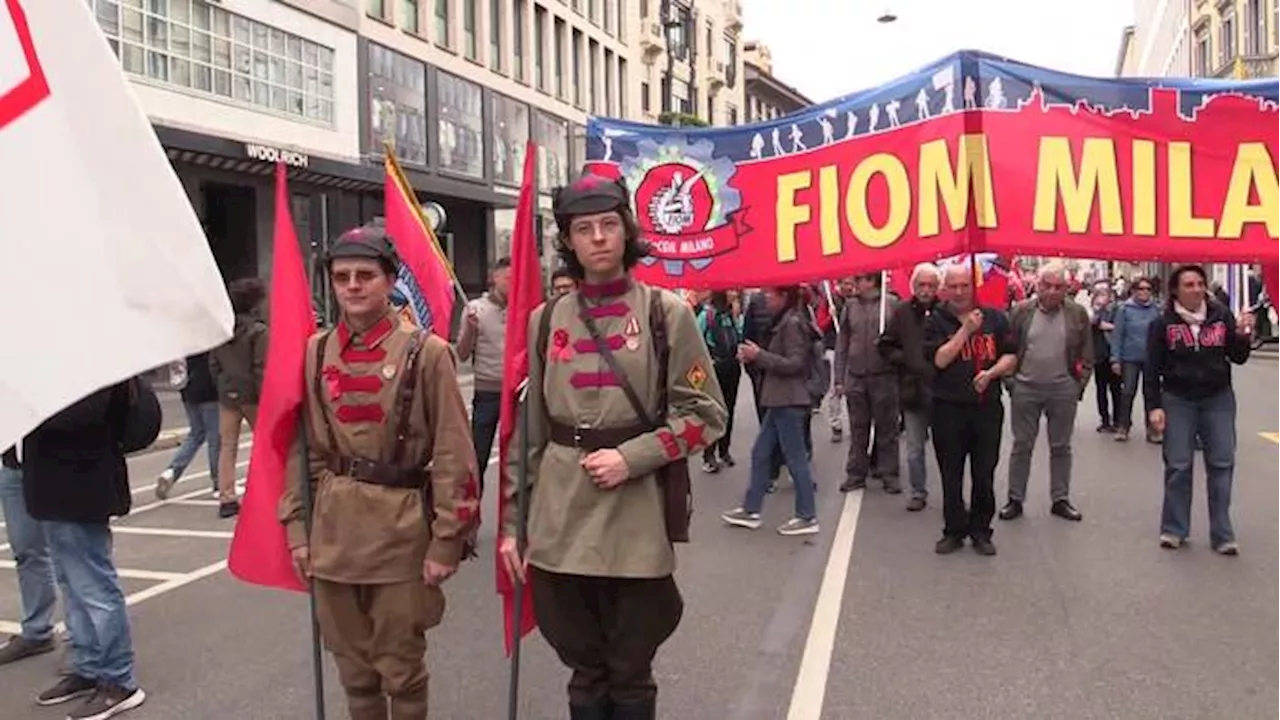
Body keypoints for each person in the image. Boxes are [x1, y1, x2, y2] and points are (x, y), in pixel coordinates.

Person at [499, 173, 726, 720]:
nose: (598, 237)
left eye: (607, 225)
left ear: (625, 232)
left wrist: (633, 457)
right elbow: (526, 432)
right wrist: (512, 524)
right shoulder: (545, 319)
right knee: (583, 672)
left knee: (629, 673)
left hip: (633, 515)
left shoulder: (664, 313)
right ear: (569, 242)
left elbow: (706, 416)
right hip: (559, 517)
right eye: (584, 229)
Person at [279, 225, 480, 719]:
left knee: (401, 670)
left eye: (365, 275)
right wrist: (297, 528)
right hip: (333, 534)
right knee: (354, 671)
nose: (352, 285)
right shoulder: (316, 351)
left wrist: (447, 539)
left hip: (401, 532)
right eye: (341, 276)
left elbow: (455, 451)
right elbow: (303, 448)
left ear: (389, 281)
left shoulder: (427, 352)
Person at [23, 383, 147, 718]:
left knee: (95, 589)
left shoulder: (88, 363)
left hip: (80, 486)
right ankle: (89, 667)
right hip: (53, 488)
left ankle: (119, 681)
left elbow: (81, 416)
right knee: (74, 587)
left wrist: (29, 399)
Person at [1146, 264, 1253, 554]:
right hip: (1178, 399)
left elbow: (1237, 356)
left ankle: (1222, 534)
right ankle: (1174, 528)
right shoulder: (1162, 323)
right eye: (1189, 285)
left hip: (1217, 398)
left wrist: (1243, 335)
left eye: (1199, 284)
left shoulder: (1221, 317)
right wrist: (1154, 407)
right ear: (1175, 291)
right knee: (1179, 465)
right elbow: (1152, 368)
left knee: (1221, 463)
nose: (1196, 290)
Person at [925, 264, 1017, 556]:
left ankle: (980, 529)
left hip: (986, 407)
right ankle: (953, 529)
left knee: (984, 472)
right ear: (945, 289)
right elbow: (939, 359)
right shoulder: (936, 320)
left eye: (965, 285)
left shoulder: (995, 318)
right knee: (950, 473)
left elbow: (1011, 356)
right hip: (947, 408)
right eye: (953, 286)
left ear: (973, 286)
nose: (960, 292)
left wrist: (991, 374)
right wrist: (965, 330)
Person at [722, 286, 823, 536]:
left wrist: (760, 356)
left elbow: (796, 363)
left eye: (771, 295)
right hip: (779, 399)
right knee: (760, 453)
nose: (766, 298)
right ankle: (751, 509)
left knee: (795, 458)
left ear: (784, 297)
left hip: (788, 399)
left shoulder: (792, 323)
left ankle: (807, 516)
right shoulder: (785, 321)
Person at [1000, 263, 1092, 522]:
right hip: (1026, 387)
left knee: (1061, 446)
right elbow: (1007, 348)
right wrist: (1011, 382)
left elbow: (1087, 352)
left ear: (1067, 288)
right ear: (1037, 286)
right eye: (1047, 285)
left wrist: (1078, 384)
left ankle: (1060, 499)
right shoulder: (1020, 312)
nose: (1052, 292)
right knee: (1022, 445)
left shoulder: (1077, 314)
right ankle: (1015, 499)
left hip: (1062, 388)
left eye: (1058, 287)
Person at [878, 263, 940, 511]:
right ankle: (918, 491)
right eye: (921, 285)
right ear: (914, 287)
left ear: (938, 288)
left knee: (948, 449)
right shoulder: (903, 312)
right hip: (913, 390)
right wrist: (905, 360)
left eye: (931, 285)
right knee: (914, 448)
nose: (926, 290)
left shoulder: (944, 312)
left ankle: (951, 494)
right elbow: (885, 345)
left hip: (941, 391)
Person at [834, 273, 901, 494]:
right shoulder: (850, 306)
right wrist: (839, 378)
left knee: (887, 428)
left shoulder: (890, 305)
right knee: (858, 428)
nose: (855, 283)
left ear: (872, 281)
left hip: (884, 375)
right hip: (856, 376)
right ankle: (856, 474)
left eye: (860, 279)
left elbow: (901, 341)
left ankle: (889, 473)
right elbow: (842, 343)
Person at [209, 278, 268, 518]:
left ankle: (227, 498)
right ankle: (263, 493)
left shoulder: (222, 330)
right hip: (253, 395)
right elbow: (261, 368)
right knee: (263, 446)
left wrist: (224, 387)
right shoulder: (259, 331)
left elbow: (214, 364)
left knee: (228, 447)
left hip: (227, 394)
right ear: (255, 303)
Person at [0, 446, 59, 666]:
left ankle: (84, 645)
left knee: (72, 555)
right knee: (26, 552)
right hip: (13, 467)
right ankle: (37, 631)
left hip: (55, 466)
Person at [456, 257, 511, 490]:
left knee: (517, 460)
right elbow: (462, 353)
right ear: (494, 278)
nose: (512, 282)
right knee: (478, 457)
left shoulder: (524, 307)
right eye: (508, 277)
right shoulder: (476, 309)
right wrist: (470, 328)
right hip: (487, 391)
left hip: (517, 393)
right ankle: (470, 509)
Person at [155, 352, 220, 499]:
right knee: (215, 438)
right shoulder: (208, 341)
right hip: (209, 391)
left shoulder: (188, 340)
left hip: (188, 389)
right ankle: (218, 482)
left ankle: (171, 471)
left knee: (195, 434)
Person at [1109, 277, 1162, 443]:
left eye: (1148, 289)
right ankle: (1123, 426)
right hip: (1130, 357)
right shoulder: (1124, 309)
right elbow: (1117, 336)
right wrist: (1115, 359)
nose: (1145, 292)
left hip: (1151, 358)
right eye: (1141, 289)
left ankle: (1153, 429)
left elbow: (1162, 336)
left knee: (1151, 394)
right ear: (1134, 291)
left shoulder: (1156, 309)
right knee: (1127, 392)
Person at [696, 291, 743, 472]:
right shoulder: (706, 316)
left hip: (732, 367)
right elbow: (695, 341)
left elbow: (738, 334)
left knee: (729, 410)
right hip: (715, 369)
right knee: (714, 411)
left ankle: (724, 451)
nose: (734, 293)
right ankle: (708, 455)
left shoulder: (730, 315)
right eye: (730, 290)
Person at [1090, 285, 1122, 432]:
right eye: (1099, 294)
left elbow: (1119, 327)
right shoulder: (1095, 311)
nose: (1103, 297)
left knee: (1116, 389)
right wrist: (1097, 313)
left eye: (1105, 294)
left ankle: (1118, 420)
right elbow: (1091, 323)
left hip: (1114, 355)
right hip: (1099, 355)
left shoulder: (1118, 310)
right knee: (1101, 390)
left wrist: (1108, 326)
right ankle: (1104, 420)